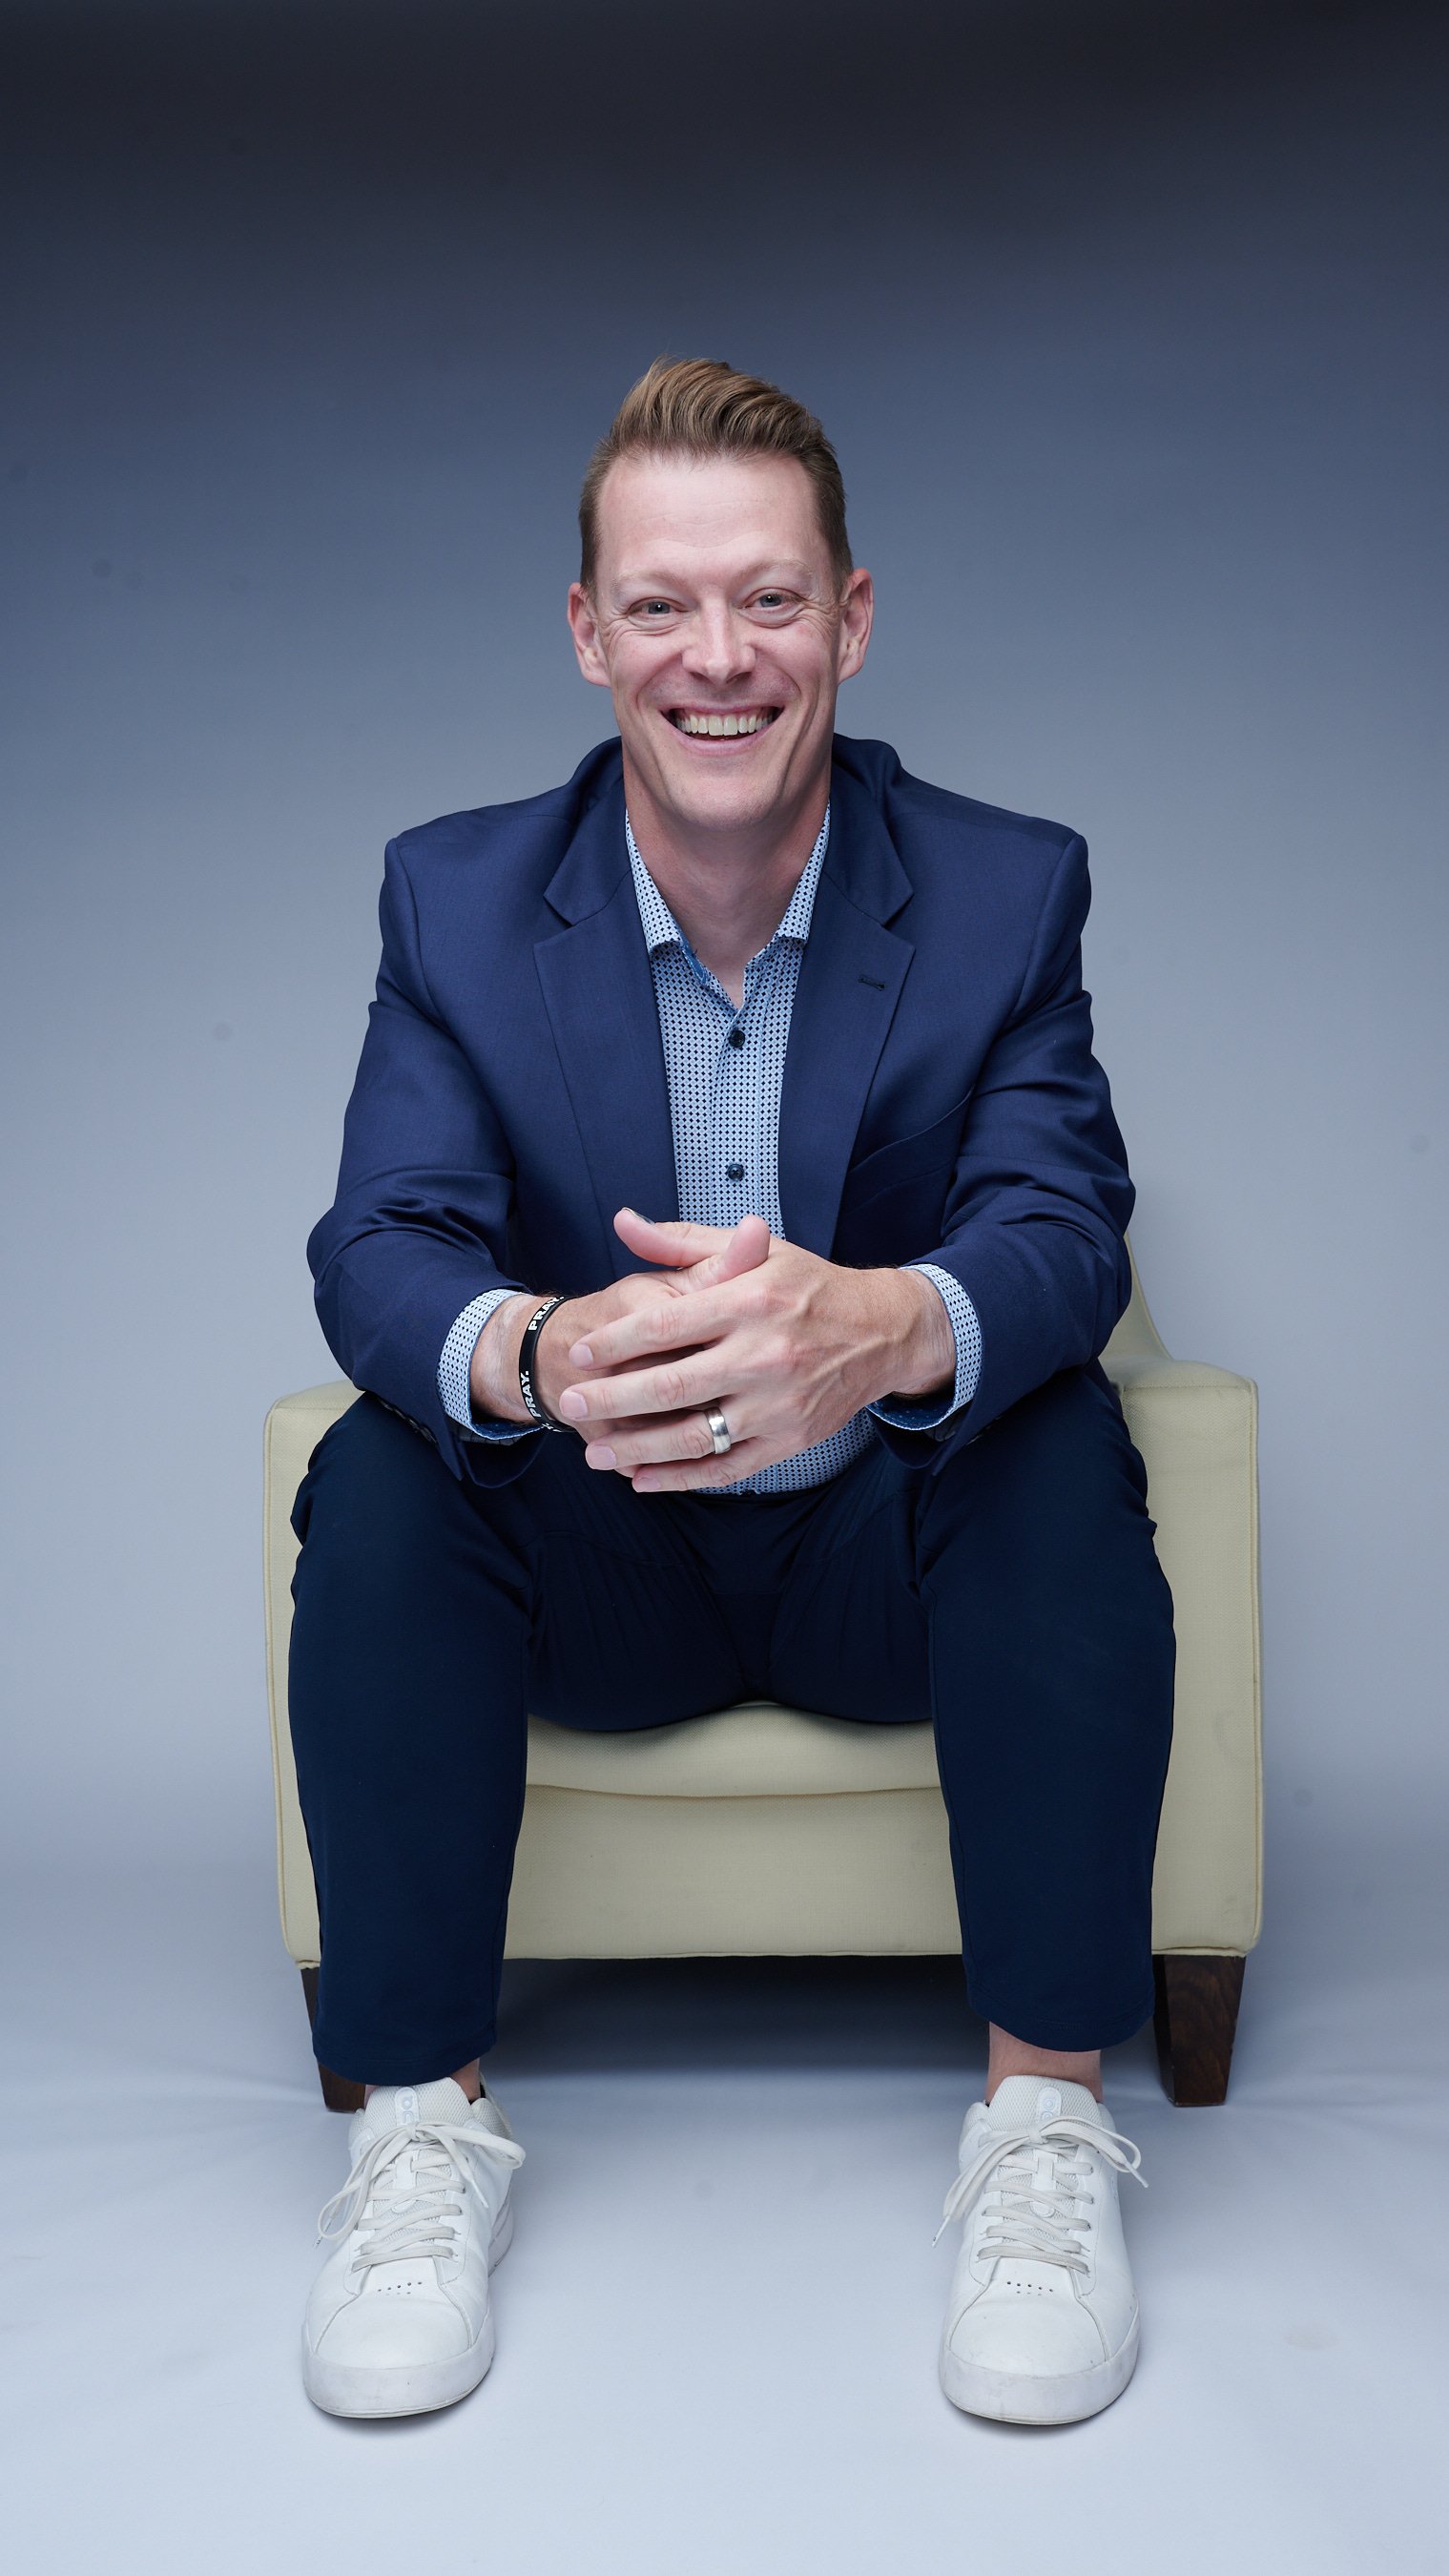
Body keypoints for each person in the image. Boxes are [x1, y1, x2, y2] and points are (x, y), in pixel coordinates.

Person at [288, 356, 1176, 2427]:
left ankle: (1044, 2128)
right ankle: (418, 2129)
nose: (718, 657)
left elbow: (1063, 1222)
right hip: (600, 1559)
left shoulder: (1004, 886)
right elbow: (381, 1241)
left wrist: (885, 1323)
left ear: (847, 621)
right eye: (663, 604)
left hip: (889, 1561)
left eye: (769, 600)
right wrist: (535, 1351)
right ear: (586, 631)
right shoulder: (453, 897)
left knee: (1059, 1436)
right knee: (383, 1470)